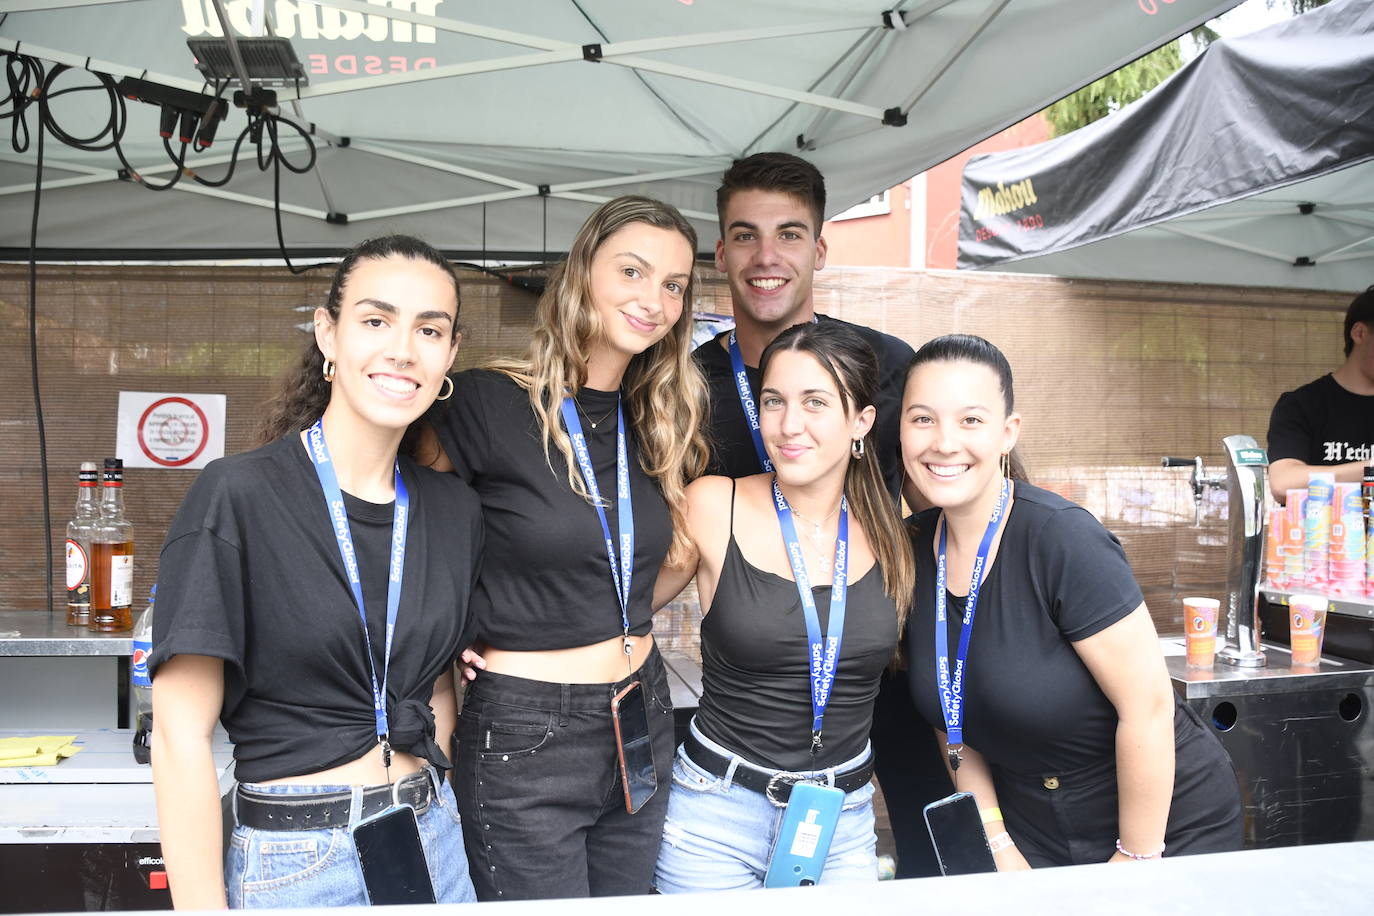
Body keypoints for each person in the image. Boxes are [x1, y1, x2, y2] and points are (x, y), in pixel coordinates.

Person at [149, 235, 480, 908]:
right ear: (328, 334)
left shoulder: (454, 510)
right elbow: (179, 734)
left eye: (429, 329)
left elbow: (433, 688)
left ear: (450, 353)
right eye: (375, 320)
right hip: (296, 861)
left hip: (432, 842)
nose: (402, 349)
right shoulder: (237, 495)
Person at [423, 195, 708, 899]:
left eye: (673, 285)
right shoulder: (484, 402)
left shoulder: (657, 417)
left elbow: (655, 565)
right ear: (583, 273)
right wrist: (457, 627)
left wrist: (598, 615)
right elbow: (405, 537)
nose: (655, 300)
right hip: (528, 724)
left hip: (642, 707)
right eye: (634, 272)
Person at [901, 333, 1243, 869]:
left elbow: (1148, 708)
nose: (944, 442)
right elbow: (950, 719)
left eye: (971, 420)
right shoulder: (911, 549)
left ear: (1008, 433)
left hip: (1163, 824)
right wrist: (997, 844)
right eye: (922, 419)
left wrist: (1134, 858)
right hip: (1032, 827)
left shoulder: (1061, 538)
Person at [694, 151, 945, 878]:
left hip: (878, 666)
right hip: (754, 687)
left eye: (790, 234)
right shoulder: (684, 385)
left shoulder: (891, 366)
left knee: (932, 854)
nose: (766, 256)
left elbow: (955, 499)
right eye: (745, 235)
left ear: (820, 249)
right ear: (721, 252)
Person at [652, 321, 914, 891]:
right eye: (774, 402)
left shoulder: (892, 533)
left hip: (839, 823)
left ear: (861, 422)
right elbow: (612, 607)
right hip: (716, 816)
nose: (789, 425)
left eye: (815, 403)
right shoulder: (713, 503)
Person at [1267, 284, 1374, 502]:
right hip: (1323, 534)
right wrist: (1369, 469)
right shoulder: (1301, 405)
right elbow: (1283, 482)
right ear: (1360, 333)